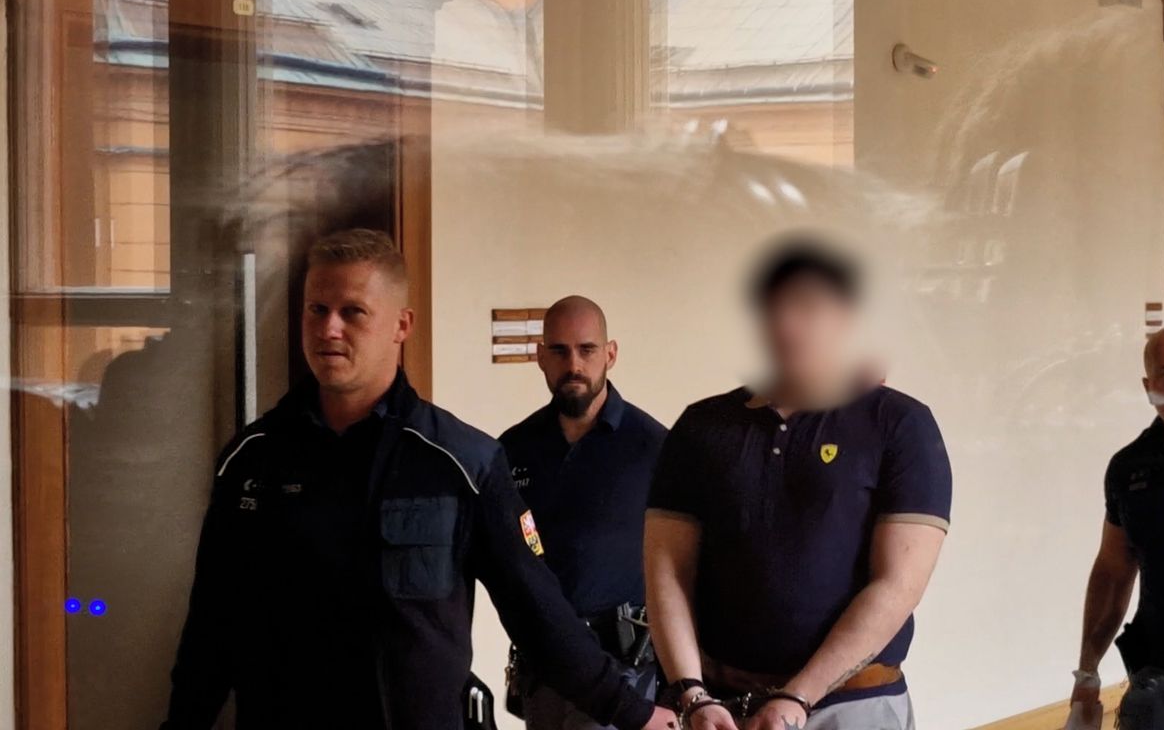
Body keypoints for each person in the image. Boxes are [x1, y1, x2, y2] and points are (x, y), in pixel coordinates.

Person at [161, 229, 678, 730]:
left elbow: (538, 613)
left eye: (353, 312)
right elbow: (212, 627)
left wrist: (633, 711)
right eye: (317, 309)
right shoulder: (251, 461)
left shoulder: (462, 463)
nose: (329, 329)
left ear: (401, 325)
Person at [643, 240, 952, 730]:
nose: (786, 324)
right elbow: (667, 574)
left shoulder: (898, 424)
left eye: (807, 307)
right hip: (722, 711)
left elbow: (898, 585)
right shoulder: (700, 427)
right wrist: (692, 693)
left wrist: (798, 696)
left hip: (852, 707)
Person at [500, 296, 667, 730]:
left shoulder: (654, 448)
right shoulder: (513, 448)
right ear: (540, 357)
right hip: (543, 673)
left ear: (610, 354)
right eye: (559, 351)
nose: (573, 364)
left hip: (623, 675)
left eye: (586, 350)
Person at [1069, 324, 1164, 729]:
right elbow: (1112, 572)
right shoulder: (1129, 468)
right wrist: (1087, 672)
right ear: (1149, 387)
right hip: (1163, 680)